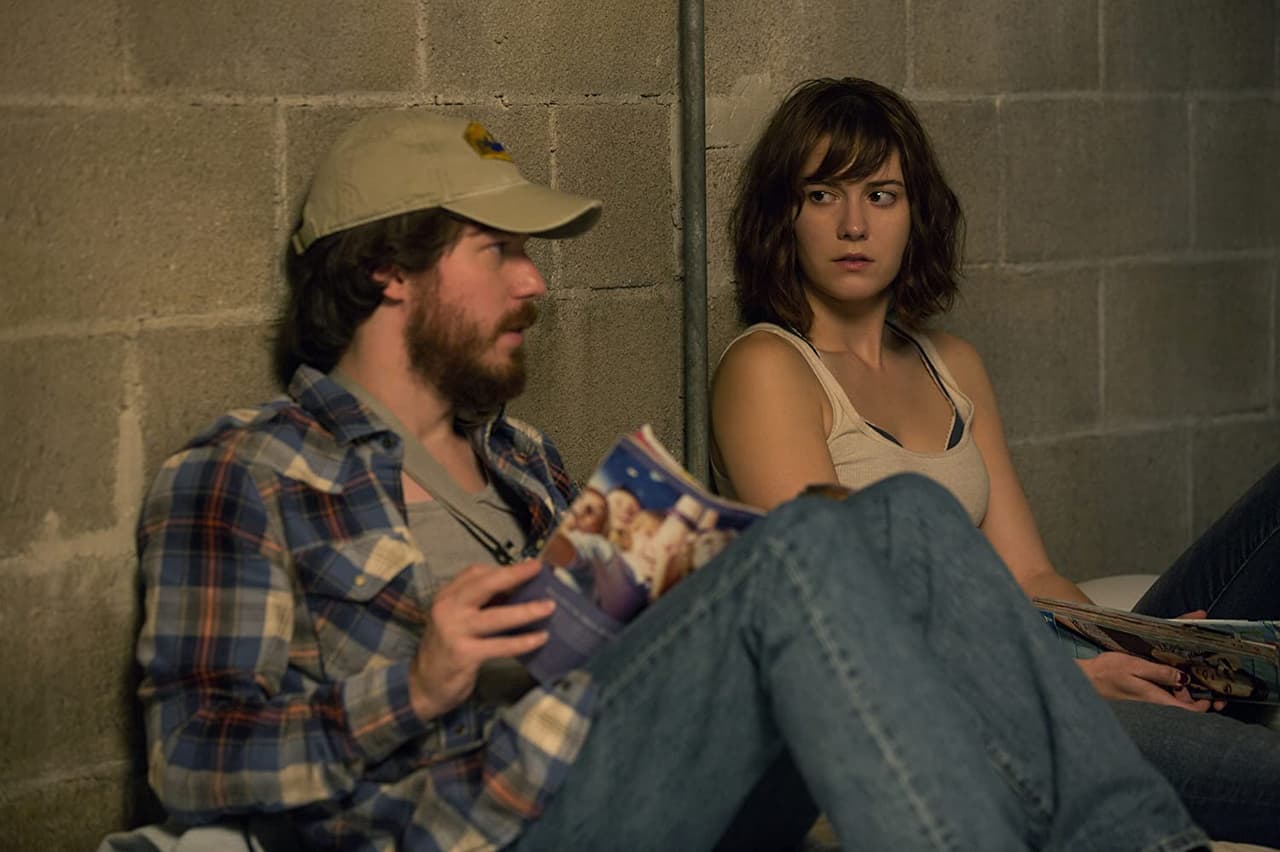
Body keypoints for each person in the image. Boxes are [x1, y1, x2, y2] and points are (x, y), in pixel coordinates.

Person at [132, 109, 1210, 851]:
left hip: (628, 769)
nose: (534, 281)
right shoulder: (247, 473)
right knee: (804, 541)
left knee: (906, 516)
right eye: (497, 250)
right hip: (482, 823)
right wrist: (416, 684)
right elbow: (188, 757)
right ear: (386, 270)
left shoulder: (521, 458)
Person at [710, 76, 1280, 845]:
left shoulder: (951, 363)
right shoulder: (769, 369)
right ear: (784, 214)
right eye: (822, 195)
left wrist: (1139, 652)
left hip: (1044, 659)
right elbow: (846, 628)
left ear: (915, 213)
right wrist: (1073, 683)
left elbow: (1032, 576)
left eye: (880, 195)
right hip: (958, 710)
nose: (853, 225)